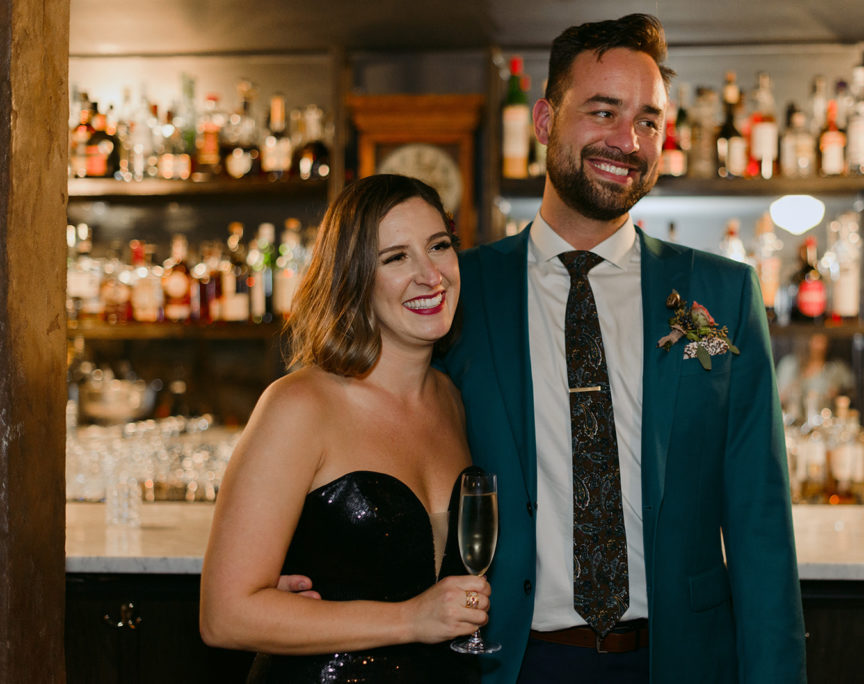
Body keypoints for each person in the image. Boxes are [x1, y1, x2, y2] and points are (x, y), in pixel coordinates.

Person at [437, 14, 806, 683]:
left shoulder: (719, 297)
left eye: (648, 121)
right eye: (603, 112)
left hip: (678, 663)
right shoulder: (464, 290)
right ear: (545, 120)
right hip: (511, 663)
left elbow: (759, 524)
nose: (627, 140)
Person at [200, 174, 489, 683]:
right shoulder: (300, 405)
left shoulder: (453, 400)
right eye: (395, 258)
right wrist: (410, 619)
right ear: (354, 278)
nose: (430, 275)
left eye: (438, 246)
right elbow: (225, 617)